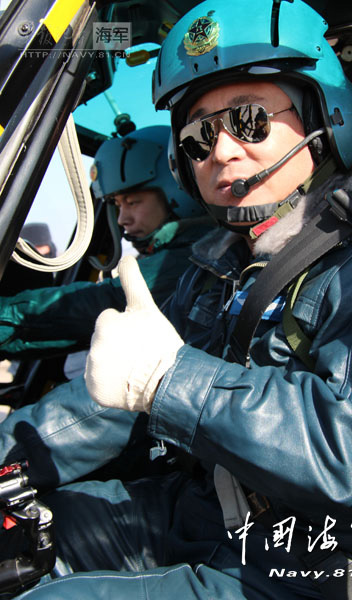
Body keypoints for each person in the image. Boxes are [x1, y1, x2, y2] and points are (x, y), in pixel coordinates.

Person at [4, 0, 352, 598]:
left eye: (248, 119)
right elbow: (128, 401)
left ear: (328, 116)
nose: (220, 150)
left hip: (324, 564)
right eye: (196, 136)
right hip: (204, 511)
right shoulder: (217, 264)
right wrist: (14, 452)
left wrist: (173, 381)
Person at [0, 124, 213, 490]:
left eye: (133, 201)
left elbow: (97, 306)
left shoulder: (187, 261)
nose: (122, 219)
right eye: (116, 204)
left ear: (177, 191)